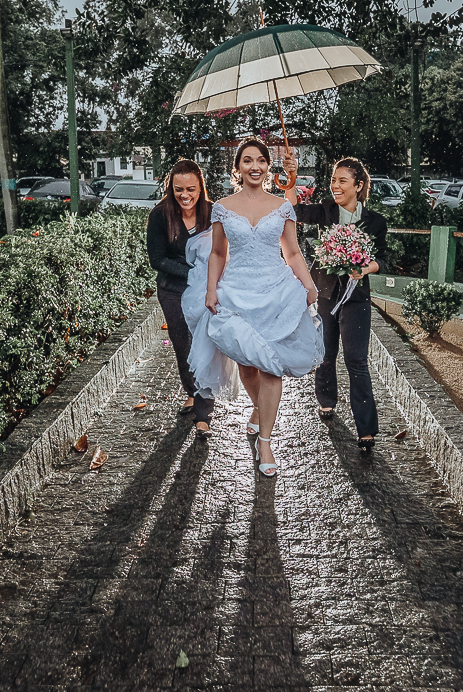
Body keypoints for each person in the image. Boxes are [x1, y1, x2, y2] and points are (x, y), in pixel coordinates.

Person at [188, 137, 324, 477]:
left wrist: (308, 285)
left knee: (271, 368)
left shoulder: (281, 207)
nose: (254, 166)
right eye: (247, 160)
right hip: (236, 292)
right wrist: (210, 290)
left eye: (260, 160)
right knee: (248, 366)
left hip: (276, 292)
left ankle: (265, 439)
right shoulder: (222, 207)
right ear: (238, 168)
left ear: (268, 166)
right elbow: (219, 253)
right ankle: (258, 409)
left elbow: (292, 252)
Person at [284, 155, 388, 454]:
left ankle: (366, 429)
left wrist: (367, 267)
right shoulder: (327, 211)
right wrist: (291, 176)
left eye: (342, 181)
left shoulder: (376, 222)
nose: (335, 186)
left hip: (356, 298)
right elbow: (293, 210)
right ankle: (327, 401)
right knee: (326, 355)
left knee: (357, 362)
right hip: (327, 294)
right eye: (333, 180)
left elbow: (382, 258)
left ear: (359, 185)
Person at [146, 159, 215, 438]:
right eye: (178, 190)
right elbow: (157, 258)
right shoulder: (160, 214)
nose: (185, 195)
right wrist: (193, 272)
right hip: (173, 290)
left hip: (207, 291)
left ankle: (203, 414)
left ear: (200, 188)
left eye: (191, 189)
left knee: (205, 345)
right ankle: (193, 391)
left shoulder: (212, 213)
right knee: (182, 345)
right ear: (170, 188)